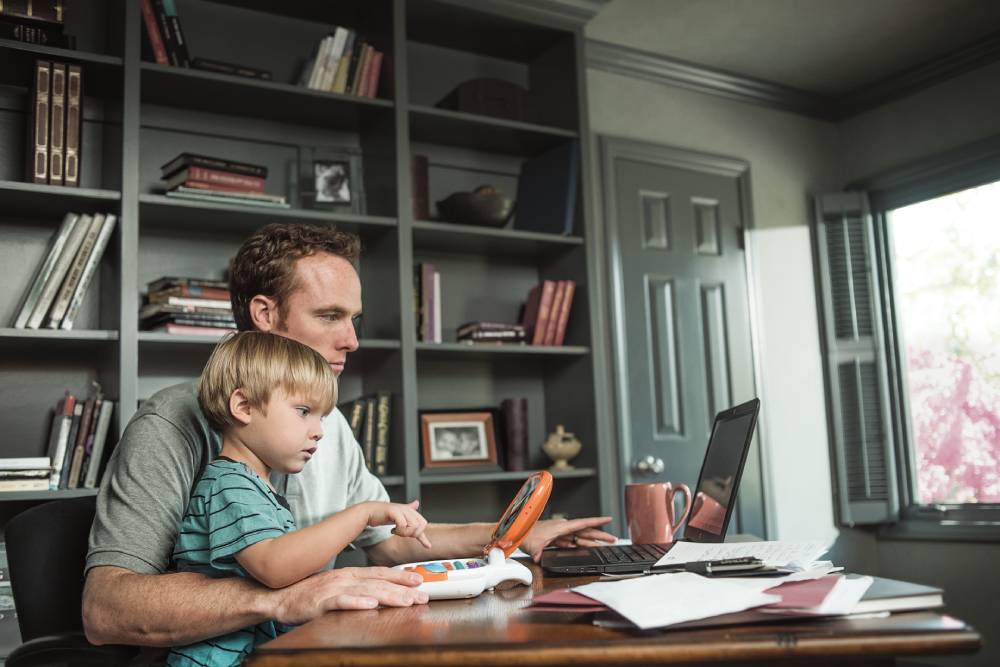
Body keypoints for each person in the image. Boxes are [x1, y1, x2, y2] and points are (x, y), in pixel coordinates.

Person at [83, 223, 615, 650]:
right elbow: (106, 610)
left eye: (354, 318)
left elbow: (387, 544)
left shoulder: (328, 422)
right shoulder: (170, 423)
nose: (352, 340)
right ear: (264, 314)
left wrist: (516, 536)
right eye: (330, 315)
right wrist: (279, 598)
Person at [167, 332, 431, 667]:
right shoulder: (228, 484)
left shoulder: (254, 486)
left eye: (321, 416)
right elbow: (275, 567)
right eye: (303, 411)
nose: (319, 430)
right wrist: (361, 514)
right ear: (243, 406)